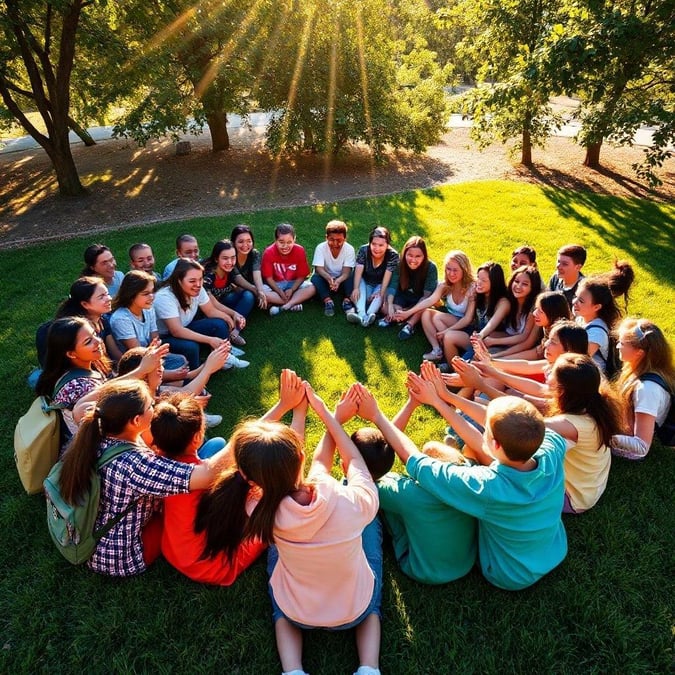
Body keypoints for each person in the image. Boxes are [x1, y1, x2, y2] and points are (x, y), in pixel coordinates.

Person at [364, 373, 567, 591]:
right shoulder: (552, 446)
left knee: (465, 454)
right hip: (555, 549)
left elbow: (416, 462)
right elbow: (490, 439)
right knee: (471, 448)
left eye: (486, 428)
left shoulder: (487, 487)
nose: (482, 424)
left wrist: (377, 416)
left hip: (511, 573)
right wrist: (441, 399)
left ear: (496, 445)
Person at [56, 379, 234, 577]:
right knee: (188, 497)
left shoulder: (97, 430)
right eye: (151, 405)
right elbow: (207, 475)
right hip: (119, 557)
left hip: (89, 536)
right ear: (136, 421)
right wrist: (245, 436)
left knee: (210, 449)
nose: (155, 406)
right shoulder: (135, 465)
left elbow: (82, 406)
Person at [153, 392, 267, 585]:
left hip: (173, 551)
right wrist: (284, 405)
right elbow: (237, 446)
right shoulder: (206, 479)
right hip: (211, 567)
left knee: (216, 444)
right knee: (270, 514)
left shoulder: (157, 465)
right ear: (197, 437)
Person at [373, 392, 478, 585]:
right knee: (432, 447)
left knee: (378, 500)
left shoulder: (406, 493)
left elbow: (376, 462)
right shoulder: (468, 476)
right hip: (466, 563)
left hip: (421, 570)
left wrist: (377, 415)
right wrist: (412, 403)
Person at [543, 354, 623, 513]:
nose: (548, 374)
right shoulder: (592, 404)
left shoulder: (572, 425)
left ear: (562, 391)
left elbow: (523, 426)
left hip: (574, 499)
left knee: (512, 466)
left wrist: (481, 400)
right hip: (589, 488)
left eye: (553, 373)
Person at [153, 259, 248, 370]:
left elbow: (210, 311)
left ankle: (223, 357)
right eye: (192, 281)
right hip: (165, 337)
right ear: (179, 280)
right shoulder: (164, 298)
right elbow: (177, 331)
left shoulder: (198, 288)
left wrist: (228, 317)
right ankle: (194, 377)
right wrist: (210, 340)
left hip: (185, 327)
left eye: (200, 279)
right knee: (191, 346)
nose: (198, 284)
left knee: (220, 323)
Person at [611, 319, 675, 459]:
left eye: (622, 343)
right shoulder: (641, 367)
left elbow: (641, 448)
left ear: (639, 353)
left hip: (631, 444)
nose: (617, 347)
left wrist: (605, 437)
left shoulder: (646, 390)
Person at [110, 271, 188, 374]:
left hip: (150, 354)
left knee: (181, 360)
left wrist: (159, 354)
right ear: (131, 295)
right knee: (178, 367)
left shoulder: (148, 309)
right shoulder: (121, 319)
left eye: (152, 292)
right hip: (135, 364)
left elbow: (155, 338)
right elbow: (137, 351)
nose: (152, 297)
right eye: (146, 294)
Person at [571, 262, 634, 375]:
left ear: (596, 307)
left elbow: (577, 360)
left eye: (581, 301)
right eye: (576, 297)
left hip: (590, 379)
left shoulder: (597, 332)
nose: (574, 302)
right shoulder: (581, 318)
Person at [440, 261, 509, 362]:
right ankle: (452, 368)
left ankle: (461, 368)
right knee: (449, 336)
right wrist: (448, 330)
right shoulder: (477, 294)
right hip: (475, 334)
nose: (478, 282)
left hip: (491, 340)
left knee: (482, 341)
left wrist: (480, 336)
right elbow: (467, 318)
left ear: (495, 283)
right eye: (478, 278)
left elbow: (491, 324)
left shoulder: (503, 302)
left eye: (484, 280)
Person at [419, 250, 475, 362]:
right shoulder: (445, 285)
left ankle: (448, 351)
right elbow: (430, 300)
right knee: (425, 313)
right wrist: (407, 313)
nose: (451, 273)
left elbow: (468, 319)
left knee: (437, 318)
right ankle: (437, 350)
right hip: (450, 319)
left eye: (455, 270)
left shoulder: (471, 289)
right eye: (448, 269)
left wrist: (447, 330)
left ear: (464, 270)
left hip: (466, 326)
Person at [379, 235, 438, 340]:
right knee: (384, 307)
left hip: (420, 300)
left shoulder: (431, 268)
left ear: (424, 256)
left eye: (418, 256)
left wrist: (408, 312)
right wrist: (391, 305)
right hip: (402, 296)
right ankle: (394, 315)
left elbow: (426, 296)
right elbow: (393, 285)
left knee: (424, 307)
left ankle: (410, 325)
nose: (413, 260)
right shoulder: (400, 263)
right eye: (410, 255)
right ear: (404, 253)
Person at [51, 276, 122, 363]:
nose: (109, 298)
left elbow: (114, 352)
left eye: (107, 294)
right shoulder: (81, 331)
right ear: (85, 304)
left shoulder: (102, 319)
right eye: (101, 297)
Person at [477, 265, 541, 358]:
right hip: (507, 344)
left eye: (525, 284)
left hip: (524, 351)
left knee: (485, 356)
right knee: (480, 349)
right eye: (517, 281)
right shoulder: (509, 302)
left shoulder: (533, 309)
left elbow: (525, 340)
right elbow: (492, 326)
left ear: (533, 288)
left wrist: (496, 347)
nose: (518, 286)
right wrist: (482, 336)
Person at [202, 239, 254, 345]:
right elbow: (212, 304)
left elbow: (238, 284)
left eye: (233, 258)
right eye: (225, 258)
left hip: (223, 301)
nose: (230, 262)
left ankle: (235, 332)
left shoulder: (230, 270)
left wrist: (258, 292)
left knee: (248, 295)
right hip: (208, 309)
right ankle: (228, 331)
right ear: (216, 259)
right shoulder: (208, 276)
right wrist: (234, 313)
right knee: (221, 321)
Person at [348, 226, 399, 327]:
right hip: (365, 281)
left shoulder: (393, 255)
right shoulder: (363, 250)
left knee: (380, 295)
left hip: (381, 284)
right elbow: (358, 271)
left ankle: (370, 314)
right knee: (358, 289)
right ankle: (362, 313)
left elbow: (388, 275)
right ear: (369, 243)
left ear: (387, 245)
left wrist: (381, 292)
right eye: (374, 244)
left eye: (381, 245)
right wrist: (356, 288)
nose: (377, 248)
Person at [261, 223, 316, 315]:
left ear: (294, 240)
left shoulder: (299, 250)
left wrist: (292, 289)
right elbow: (268, 278)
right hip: (275, 285)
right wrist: (279, 292)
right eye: (281, 242)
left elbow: (302, 276)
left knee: (313, 288)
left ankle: (284, 305)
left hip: (293, 283)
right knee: (261, 292)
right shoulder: (268, 252)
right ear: (275, 240)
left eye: (289, 242)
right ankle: (295, 302)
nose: (285, 246)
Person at [310, 219, 356, 317]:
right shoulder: (320, 248)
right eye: (331, 240)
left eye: (339, 240)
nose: (335, 243)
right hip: (325, 277)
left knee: (353, 275)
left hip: (342, 278)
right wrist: (329, 278)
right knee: (315, 278)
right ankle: (328, 301)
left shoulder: (349, 249)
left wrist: (338, 281)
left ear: (345, 238)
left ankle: (347, 301)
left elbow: (347, 272)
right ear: (326, 237)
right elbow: (319, 269)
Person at [231, 224, 267, 309]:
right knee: (248, 296)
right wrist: (256, 290)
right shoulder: (230, 256)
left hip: (250, 288)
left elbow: (257, 274)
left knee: (264, 292)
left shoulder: (254, 254)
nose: (245, 245)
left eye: (249, 241)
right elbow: (238, 279)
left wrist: (260, 291)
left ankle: (286, 304)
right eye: (241, 241)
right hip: (235, 292)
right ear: (233, 243)